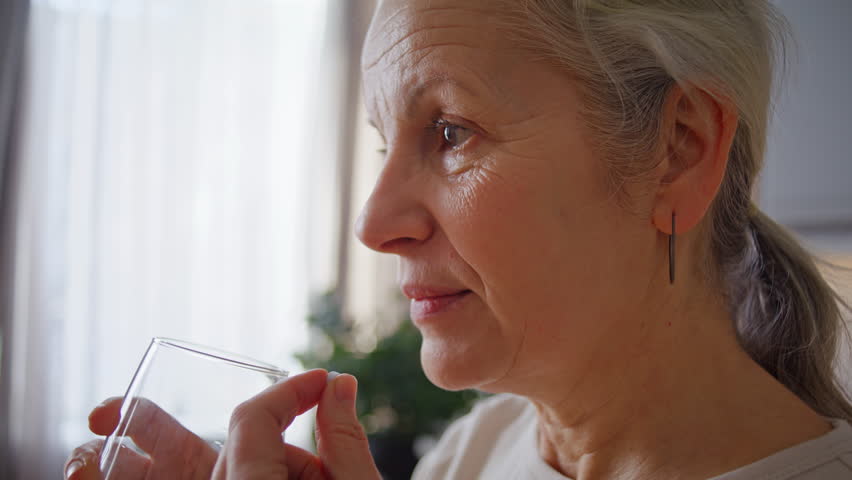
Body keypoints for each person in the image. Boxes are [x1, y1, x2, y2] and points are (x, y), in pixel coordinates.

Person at [67, 0, 852, 478]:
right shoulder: (477, 452)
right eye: (385, 143)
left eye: (451, 132)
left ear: (677, 149)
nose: (374, 227)